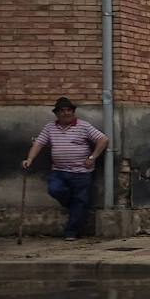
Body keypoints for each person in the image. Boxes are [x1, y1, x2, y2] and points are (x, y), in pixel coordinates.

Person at [21, 97, 108, 240]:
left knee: (80, 202)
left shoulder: (83, 126)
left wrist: (92, 157)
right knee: (55, 190)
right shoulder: (50, 127)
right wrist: (29, 159)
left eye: (68, 110)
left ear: (73, 112)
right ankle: (75, 206)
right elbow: (38, 144)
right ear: (57, 114)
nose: (65, 113)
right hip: (59, 171)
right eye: (62, 111)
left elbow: (103, 139)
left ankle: (71, 232)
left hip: (81, 172)